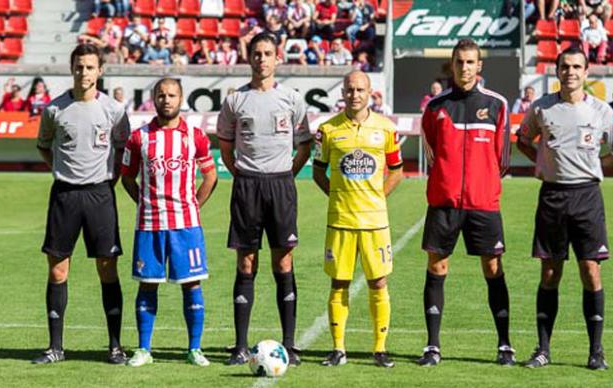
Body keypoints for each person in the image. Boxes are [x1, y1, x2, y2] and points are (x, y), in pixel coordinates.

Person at [517, 47, 613, 370]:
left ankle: (596, 351)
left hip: (587, 197)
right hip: (552, 196)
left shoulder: (601, 111)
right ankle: (542, 349)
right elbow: (523, 140)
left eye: (576, 67)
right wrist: (541, 163)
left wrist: (598, 164)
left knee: (590, 271)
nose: (570, 72)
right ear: (557, 71)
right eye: (565, 66)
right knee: (551, 272)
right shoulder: (542, 108)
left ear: (586, 72)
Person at [217, 32, 312, 366]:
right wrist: (242, 174)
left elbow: (305, 143)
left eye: (267, 53)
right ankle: (240, 346)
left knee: (283, 262)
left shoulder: (292, 98)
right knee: (246, 263)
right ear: (250, 58)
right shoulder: (234, 101)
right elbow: (226, 147)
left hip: (281, 186)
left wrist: (287, 171)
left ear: (277, 57)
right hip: (247, 187)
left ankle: (289, 344)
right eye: (256, 53)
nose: (261, 59)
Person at [419, 38, 514, 367]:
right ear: (452, 64)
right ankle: (432, 346)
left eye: (470, 62)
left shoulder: (498, 105)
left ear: (479, 66)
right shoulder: (435, 107)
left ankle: (504, 345)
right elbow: (433, 151)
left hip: (483, 203)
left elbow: (502, 160)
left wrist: (481, 184)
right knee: (437, 267)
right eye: (459, 62)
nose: (464, 68)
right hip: (444, 203)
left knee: (492, 268)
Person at [33, 43, 131, 365]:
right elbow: (45, 147)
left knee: (107, 268)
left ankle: (115, 346)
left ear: (100, 70)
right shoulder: (54, 109)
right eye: (79, 66)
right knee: (58, 269)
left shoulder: (115, 111)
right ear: (71, 68)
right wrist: (62, 170)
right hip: (64, 195)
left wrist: (109, 180)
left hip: (100, 195)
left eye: (90, 67)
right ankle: (55, 347)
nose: (84, 72)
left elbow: (122, 151)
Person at [120, 78, 218, 367]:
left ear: (181, 98)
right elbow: (127, 176)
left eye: (172, 95)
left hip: (186, 225)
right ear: (154, 98)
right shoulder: (138, 137)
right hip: (149, 225)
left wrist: (193, 205)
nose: (166, 100)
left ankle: (195, 349)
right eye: (161, 95)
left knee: (191, 284)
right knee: (148, 284)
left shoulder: (196, 136)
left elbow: (210, 176)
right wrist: (144, 203)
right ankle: (143, 349)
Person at [313, 70, 403, 368]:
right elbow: (317, 171)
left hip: (375, 222)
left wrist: (378, 197)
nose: (354, 95)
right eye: (350, 90)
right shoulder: (327, 130)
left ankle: (380, 349)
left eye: (360, 90)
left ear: (370, 93)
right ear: (343, 92)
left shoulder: (387, 130)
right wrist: (338, 196)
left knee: (378, 282)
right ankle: (338, 349)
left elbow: (397, 170)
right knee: (339, 283)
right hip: (340, 221)